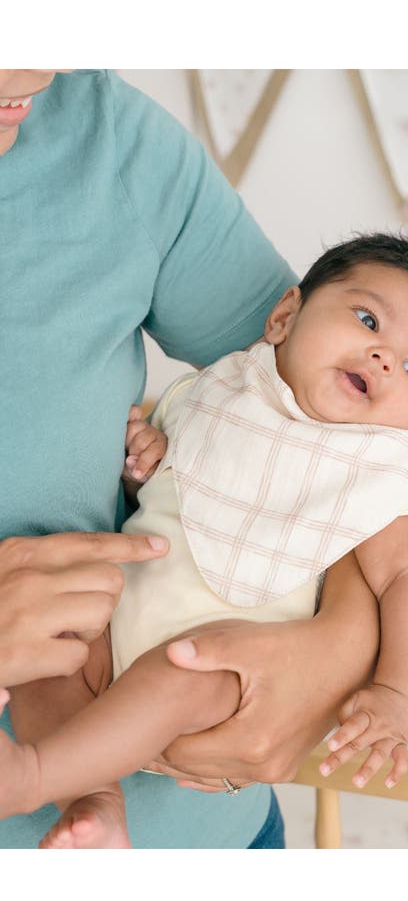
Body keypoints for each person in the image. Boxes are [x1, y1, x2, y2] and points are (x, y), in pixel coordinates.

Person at [0, 68, 382, 848]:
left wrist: (337, 647)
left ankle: (91, 798)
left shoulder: (109, 141)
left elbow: (327, 423)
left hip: (205, 834)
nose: (46, 66)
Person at [0, 234, 408, 847]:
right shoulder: (225, 392)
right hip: (114, 629)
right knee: (53, 649)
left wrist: (394, 697)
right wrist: (149, 457)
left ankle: (33, 776)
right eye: (368, 320)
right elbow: (185, 478)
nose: (387, 359)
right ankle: (94, 801)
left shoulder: (372, 469)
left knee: (178, 674)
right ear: (283, 317)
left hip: (223, 666)